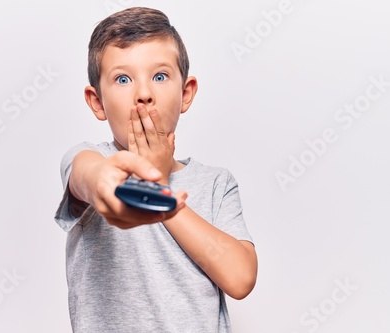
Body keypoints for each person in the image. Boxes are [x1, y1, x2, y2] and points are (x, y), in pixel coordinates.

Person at [55, 7, 258, 333]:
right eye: (123, 79)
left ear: (185, 93)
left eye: (160, 76)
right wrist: (103, 185)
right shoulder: (90, 158)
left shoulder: (216, 184)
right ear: (97, 102)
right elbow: (86, 177)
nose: (144, 94)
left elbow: (240, 278)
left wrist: (159, 187)